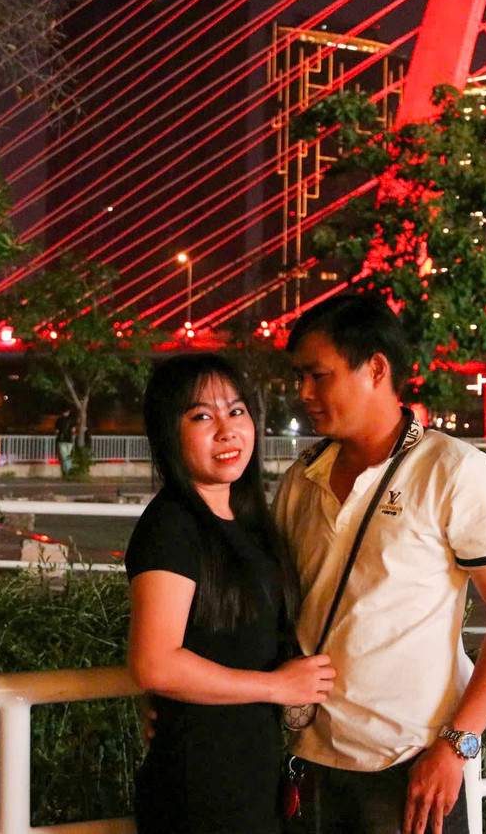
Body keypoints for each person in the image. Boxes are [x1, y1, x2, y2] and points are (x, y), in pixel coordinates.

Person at [277, 294, 486, 834]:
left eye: (318, 375)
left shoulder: (452, 469)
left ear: (376, 368)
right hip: (307, 760)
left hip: (410, 767)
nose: (303, 392)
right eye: (300, 377)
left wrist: (457, 745)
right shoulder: (301, 478)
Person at [126, 354, 332, 834]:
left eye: (237, 411)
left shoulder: (246, 521)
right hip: (200, 787)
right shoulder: (172, 526)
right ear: (168, 434)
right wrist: (277, 687)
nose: (227, 431)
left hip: (247, 776)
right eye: (202, 417)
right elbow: (154, 663)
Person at [55, 409, 77, 476]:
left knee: (64, 456)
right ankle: (70, 470)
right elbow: (73, 430)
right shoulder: (72, 420)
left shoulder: (59, 420)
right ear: (68, 412)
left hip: (61, 440)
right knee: (68, 455)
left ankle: (68, 471)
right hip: (69, 440)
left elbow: (57, 431)